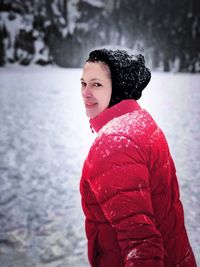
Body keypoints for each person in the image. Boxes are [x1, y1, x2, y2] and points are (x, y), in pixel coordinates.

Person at [79, 48, 197, 267]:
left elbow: (141, 246)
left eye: (96, 84)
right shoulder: (139, 120)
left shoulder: (114, 144)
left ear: (118, 89)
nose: (85, 92)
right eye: (83, 83)